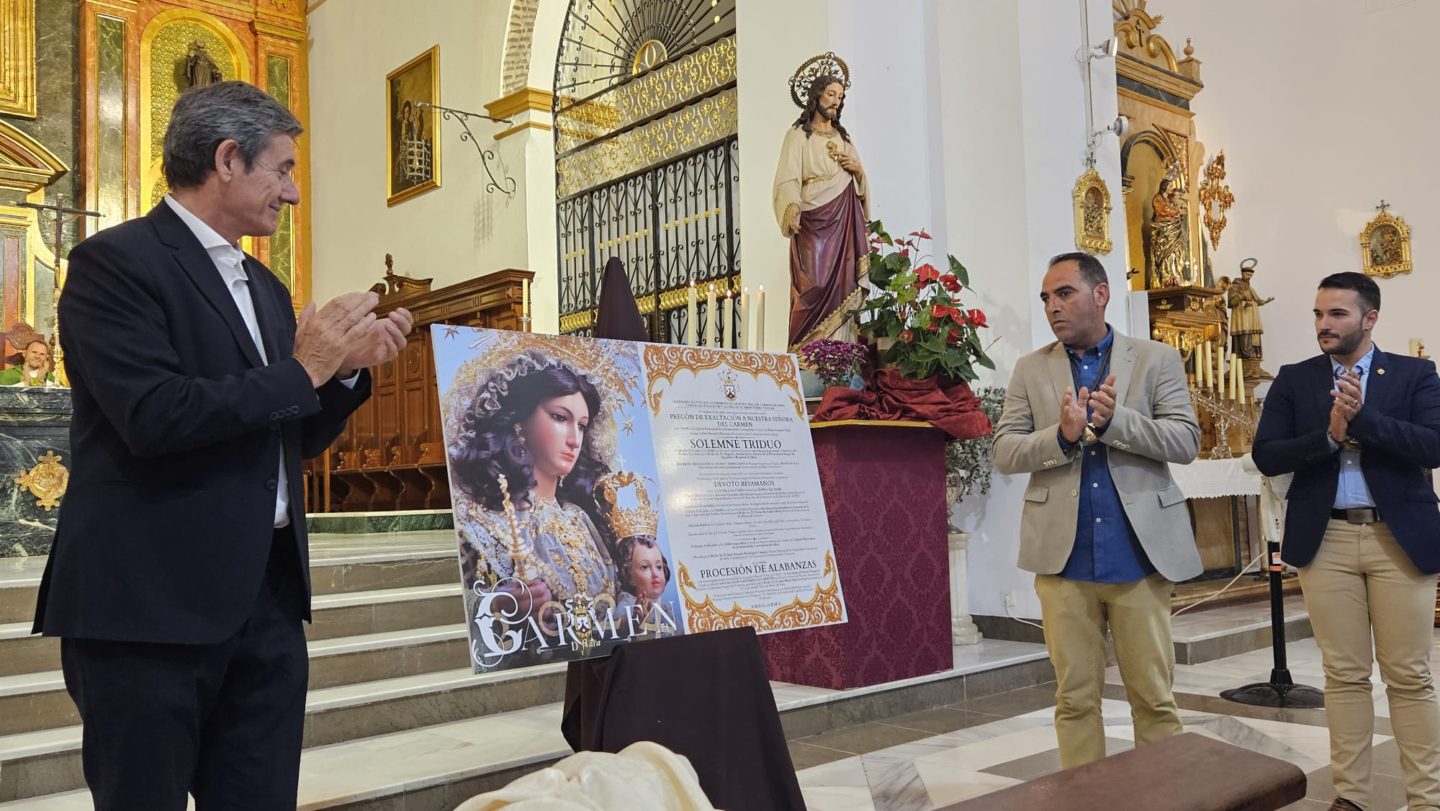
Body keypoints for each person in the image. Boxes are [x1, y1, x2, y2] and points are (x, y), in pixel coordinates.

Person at [32, 80, 412, 810]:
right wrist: (304, 367)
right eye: (284, 168)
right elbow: (153, 415)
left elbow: (281, 437)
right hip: (149, 606)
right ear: (229, 159)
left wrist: (346, 374)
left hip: (264, 603)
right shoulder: (113, 264)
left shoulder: (266, 288)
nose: (294, 193)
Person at [993, 251, 1202, 769]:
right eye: (1045, 298)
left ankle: (1167, 801)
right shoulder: (1030, 368)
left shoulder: (1156, 359)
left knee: (1153, 699)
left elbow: (1186, 440)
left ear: (1100, 294)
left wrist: (1118, 425)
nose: (1052, 307)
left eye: (1064, 293)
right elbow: (1004, 450)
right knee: (1074, 699)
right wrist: (1061, 437)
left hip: (1139, 556)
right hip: (1064, 560)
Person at [1252, 272, 1440, 811]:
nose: (1323, 325)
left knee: (1408, 676)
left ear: (1370, 318)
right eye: (1318, 314)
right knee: (1344, 676)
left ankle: (1426, 799)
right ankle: (1352, 798)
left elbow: (1432, 446)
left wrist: (1366, 420)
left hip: (1397, 537)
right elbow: (1268, 455)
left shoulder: (1414, 374)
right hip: (1326, 537)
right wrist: (1330, 437)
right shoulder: (1296, 378)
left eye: (1337, 314)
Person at [450, 350, 620, 662]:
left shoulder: (581, 518)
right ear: (519, 422)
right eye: (560, 418)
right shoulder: (483, 523)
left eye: (581, 425)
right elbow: (459, 609)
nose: (574, 439)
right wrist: (501, 603)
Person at [772, 53, 869, 349]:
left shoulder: (844, 139)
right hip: (813, 224)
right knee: (811, 288)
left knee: (845, 286)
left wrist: (858, 173)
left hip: (843, 220)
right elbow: (787, 178)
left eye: (840, 96)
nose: (836, 101)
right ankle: (807, 354)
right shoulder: (798, 136)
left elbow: (860, 183)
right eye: (831, 94)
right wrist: (792, 208)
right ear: (817, 96)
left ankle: (840, 352)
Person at [1227, 260, 1274, 361]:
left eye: (1250, 275)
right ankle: (1245, 354)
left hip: (1252, 318)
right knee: (1245, 334)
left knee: (1253, 335)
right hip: (1242, 317)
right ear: (1242, 273)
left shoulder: (1250, 288)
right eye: (1247, 274)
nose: (1249, 277)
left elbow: (1257, 301)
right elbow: (1231, 303)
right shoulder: (1234, 287)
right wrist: (1241, 296)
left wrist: (1266, 301)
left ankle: (1253, 354)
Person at [1149, 177, 1187, 288]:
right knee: (1167, 254)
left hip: (1174, 229)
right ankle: (1166, 277)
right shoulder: (1157, 199)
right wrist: (1176, 212)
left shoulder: (1170, 201)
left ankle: (1174, 274)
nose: (1171, 188)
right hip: (1164, 230)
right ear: (1164, 187)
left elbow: (1176, 209)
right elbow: (1163, 210)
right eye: (1170, 186)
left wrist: (1178, 211)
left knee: (1175, 252)